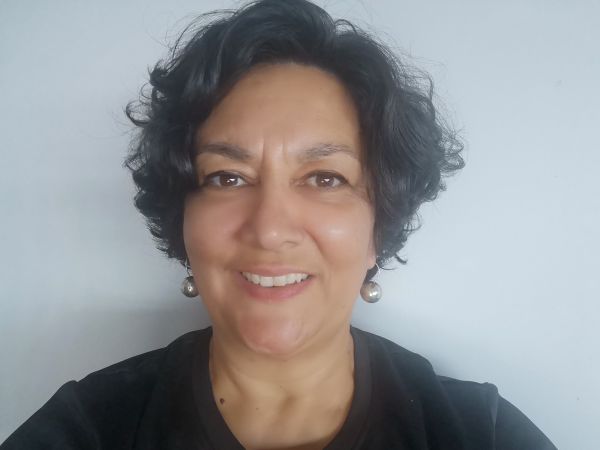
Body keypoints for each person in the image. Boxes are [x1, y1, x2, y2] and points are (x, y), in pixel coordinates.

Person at [1, 0, 557, 449]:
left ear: (379, 225)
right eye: (227, 178)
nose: (269, 229)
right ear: (183, 219)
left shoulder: (477, 433)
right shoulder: (90, 429)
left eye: (325, 178)